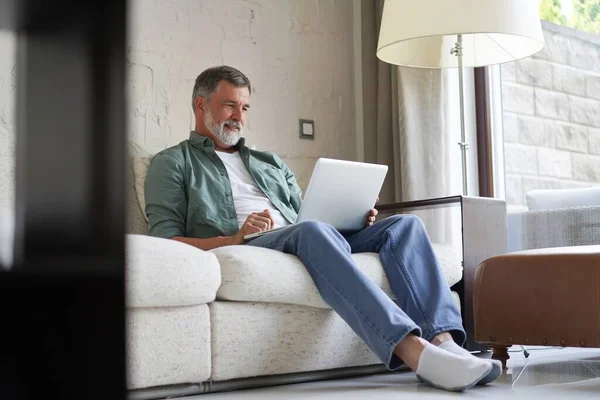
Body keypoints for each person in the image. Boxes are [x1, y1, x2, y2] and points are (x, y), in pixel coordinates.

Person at [144, 65, 501, 392]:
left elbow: (304, 215)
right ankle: (414, 351)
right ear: (200, 104)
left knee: (404, 226)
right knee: (311, 231)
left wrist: (352, 218)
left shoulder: (269, 163)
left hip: (305, 233)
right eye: (229, 106)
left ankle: (445, 345)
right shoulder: (173, 163)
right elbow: (165, 241)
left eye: (245, 108)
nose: (239, 117)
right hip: (255, 242)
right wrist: (235, 237)